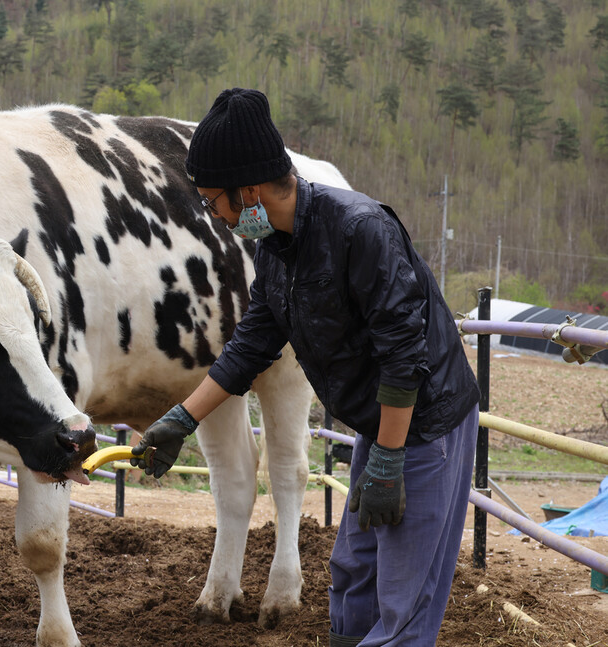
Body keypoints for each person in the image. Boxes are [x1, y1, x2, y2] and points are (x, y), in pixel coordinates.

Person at [131, 88, 480, 646]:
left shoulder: (361, 230)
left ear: (248, 190)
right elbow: (251, 346)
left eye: (213, 200)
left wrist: (389, 460)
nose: (214, 216)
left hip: (425, 424)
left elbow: (403, 354)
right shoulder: (276, 248)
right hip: (381, 424)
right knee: (352, 576)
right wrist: (181, 419)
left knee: (403, 599)